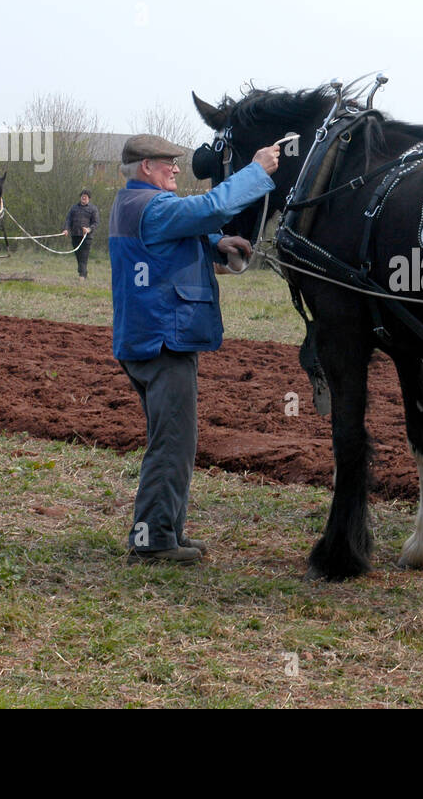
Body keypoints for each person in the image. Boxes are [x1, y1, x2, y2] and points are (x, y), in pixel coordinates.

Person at [110, 133, 279, 564]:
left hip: (146, 338)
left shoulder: (130, 204)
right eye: (169, 162)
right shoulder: (153, 205)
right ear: (146, 167)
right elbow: (209, 209)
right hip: (162, 341)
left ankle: (167, 531)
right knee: (172, 443)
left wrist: (214, 244)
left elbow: (173, 237)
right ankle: (152, 542)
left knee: (172, 440)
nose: (176, 168)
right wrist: (256, 170)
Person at [64, 190, 100, 280]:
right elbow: (68, 219)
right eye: (82, 196)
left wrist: (89, 229)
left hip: (86, 237)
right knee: (78, 255)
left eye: (86, 196)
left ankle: (82, 276)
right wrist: (66, 229)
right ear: (80, 197)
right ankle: (84, 272)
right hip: (75, 235)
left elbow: (96, 223)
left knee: (84, 255)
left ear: (89, 198)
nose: (84, 198)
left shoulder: (93, 209)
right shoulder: (74, 208)